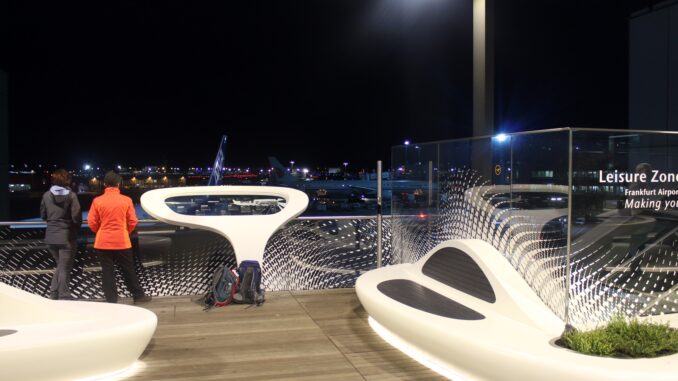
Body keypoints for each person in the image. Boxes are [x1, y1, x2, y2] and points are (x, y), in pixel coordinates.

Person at [88, 171, 151, 304]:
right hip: (122, 241)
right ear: (118, 184)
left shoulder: (97, 201)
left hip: (103, 242)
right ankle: (138, 296)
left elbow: (92, 222)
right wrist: (124, 231)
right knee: (128, 269)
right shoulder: (126, 200)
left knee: (107, 272)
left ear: (105, 184)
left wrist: (100, 231)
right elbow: (133, 221)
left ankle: (111, 300)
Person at [41, 169, 82, 300]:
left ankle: (53, 293)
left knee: (60, 266)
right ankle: (64, 294)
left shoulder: (46, 195)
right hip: (66, 236)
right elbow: (76, 217)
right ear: (67, 180)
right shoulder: (71, 195)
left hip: (50, 236)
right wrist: (75, 226)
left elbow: (43, 215)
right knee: (63, 267)